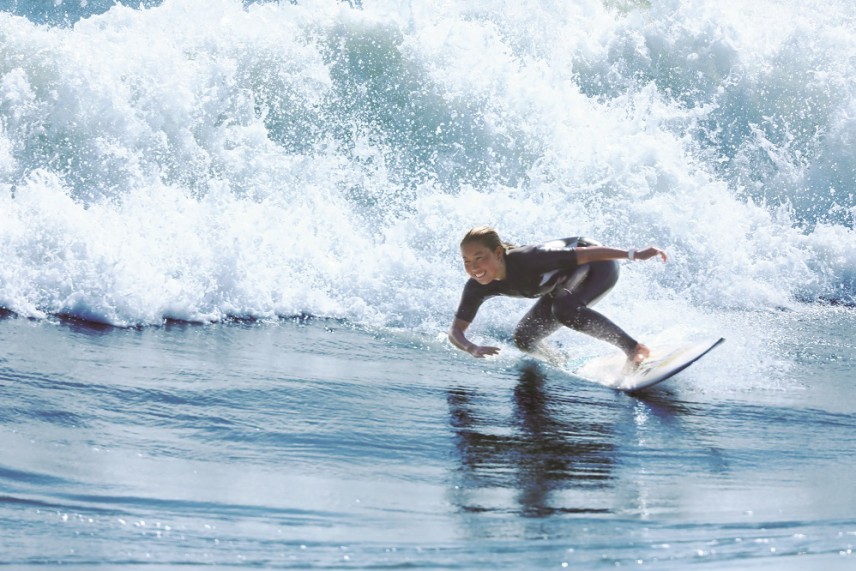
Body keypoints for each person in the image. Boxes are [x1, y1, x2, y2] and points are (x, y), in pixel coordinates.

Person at [448, 226, 668, 367]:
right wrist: (471, 347)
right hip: (564, 282)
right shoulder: (477, 287)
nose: (473, 267)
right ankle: (560, 363)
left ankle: (635, 349)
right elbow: (456, 331)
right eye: (466, 261)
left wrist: (634, 254)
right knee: (525, 337)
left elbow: (586, 254)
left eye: (479, 258)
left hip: (598, 263)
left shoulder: (530, 259)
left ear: (497, 253)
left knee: (564, 309)